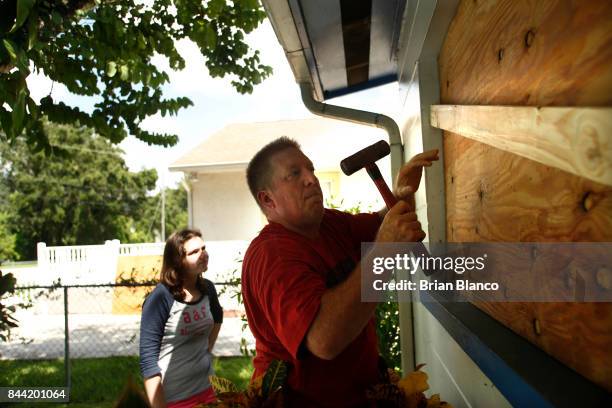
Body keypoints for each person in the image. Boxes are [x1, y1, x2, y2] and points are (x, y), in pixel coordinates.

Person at [241, 137, 438, 407]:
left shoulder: (329, 224)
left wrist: (401, 195)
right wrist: (385, 249)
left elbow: (386, 226)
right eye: (295, 174)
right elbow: (324, 341)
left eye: (310, 169)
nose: (312, 179)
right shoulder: (272, 256)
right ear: (268, 199)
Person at [139, 229, 223, 408]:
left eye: (203, 248)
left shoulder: (208, 289)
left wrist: (205, 350)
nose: (204, 254)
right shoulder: (160, 298)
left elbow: (218, 317)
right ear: (178, 261)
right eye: (194, 252)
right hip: (174, 400)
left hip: (209, 390)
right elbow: (148, 362)